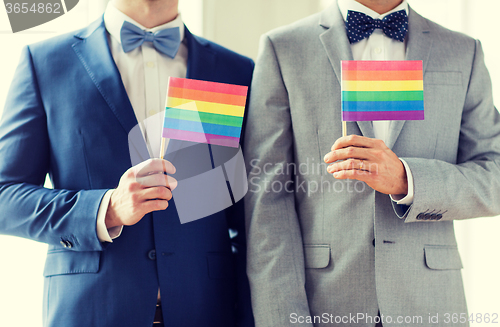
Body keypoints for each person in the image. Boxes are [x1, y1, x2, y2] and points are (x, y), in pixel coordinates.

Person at [244, 0, 500, 326]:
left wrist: (408, 180)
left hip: (431, 305)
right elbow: (267, 200)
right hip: (324, 304)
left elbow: (495, 175)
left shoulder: (464, 50)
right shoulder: (284, 48)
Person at [0, 0, 254, 326]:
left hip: (207, 312)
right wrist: (106, 209)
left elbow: (252, 216)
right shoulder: (46, 62)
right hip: (91, 311)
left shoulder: (234, 70)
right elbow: (5, 197)